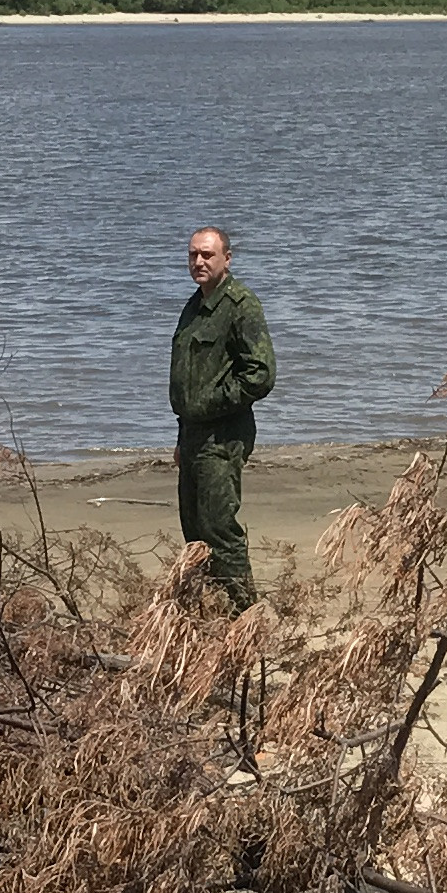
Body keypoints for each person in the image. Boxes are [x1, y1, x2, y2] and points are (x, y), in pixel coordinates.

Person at [168, 226, 277, 609]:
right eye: (193, 254)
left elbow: (260, 375)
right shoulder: (194, 307)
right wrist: (183, 435)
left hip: (223, 436)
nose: (199, 261)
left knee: (219, 529)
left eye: (207, 255)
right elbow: (187, 380)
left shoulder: (241, 306)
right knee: (194, 532)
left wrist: (210, 404)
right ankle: (207, 613)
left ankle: (245, 620)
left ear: (226, 259)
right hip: (193, 436)